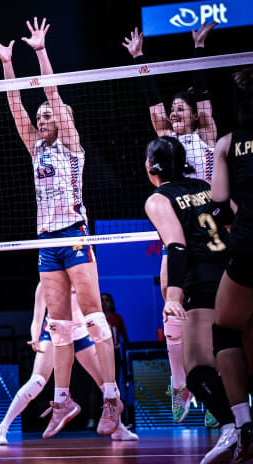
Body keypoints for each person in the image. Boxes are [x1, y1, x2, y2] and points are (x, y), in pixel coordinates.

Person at [0, 18, 122, 439]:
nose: (41, 118)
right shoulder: (35, 149)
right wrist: (8, 63)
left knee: (94, 319)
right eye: (40, 116)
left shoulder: (71, 147)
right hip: (46, 241)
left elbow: (53, 95)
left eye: (47, 115)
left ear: (62, 121)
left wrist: (41, 53)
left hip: (74, 233)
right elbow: (15, 104)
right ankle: (63, 399)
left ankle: (112, 397)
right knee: (59, 327)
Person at [123, 22, 218, 423]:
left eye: (182, 109)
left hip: (211, 232)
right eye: (173, 109)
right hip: (179, 233)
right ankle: (180, 385)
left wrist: (198, 49)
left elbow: (203, 96)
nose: (175, 113)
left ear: (195, 115)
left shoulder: (207, 135)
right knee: (170, 303)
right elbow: (154, 106)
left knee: (213, 316)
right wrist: (139, 59)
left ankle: (216, 392)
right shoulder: (167, 143)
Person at [144, 136, 238, 464]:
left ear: (151, 167)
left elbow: (177, 247)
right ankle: (241, 423)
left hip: (203, 282)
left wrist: (173, 295)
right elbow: (232, 219)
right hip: (234, 272)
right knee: (234, 353)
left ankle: (232, 429)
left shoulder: (158, 199)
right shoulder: (203, 186)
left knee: (196, 369)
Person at [0, 283, 138, 445]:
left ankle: (118, 429)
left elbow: (93, 313)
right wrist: (35, 337)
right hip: (55, 332)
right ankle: (2, 428)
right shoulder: (45, 283)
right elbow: (37, 319)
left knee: (107, 383)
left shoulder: (82, 277)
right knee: (37, 380)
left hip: (80, 333)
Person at [210, 65, 253, 462]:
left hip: (248, 247)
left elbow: (219, 201)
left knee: (225, 330)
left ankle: (243, 424)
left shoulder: (227, 143)